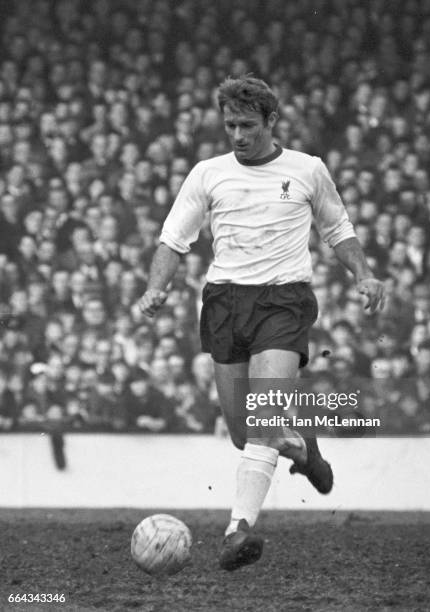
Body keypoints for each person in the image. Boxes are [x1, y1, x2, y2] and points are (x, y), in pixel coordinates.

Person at [138, 76, 385, 571]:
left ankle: (238, 530)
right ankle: (304, 450)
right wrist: (155, 287)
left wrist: (364, 273)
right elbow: (173, 238)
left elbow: (337, 227)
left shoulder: (308, 170)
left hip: (284, 301)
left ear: (271, 121)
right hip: (225, 303)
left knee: (267, 416)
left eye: (247, 125)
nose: (237, 135)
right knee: (244, 432)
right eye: (230, 125)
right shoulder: (208, 174)